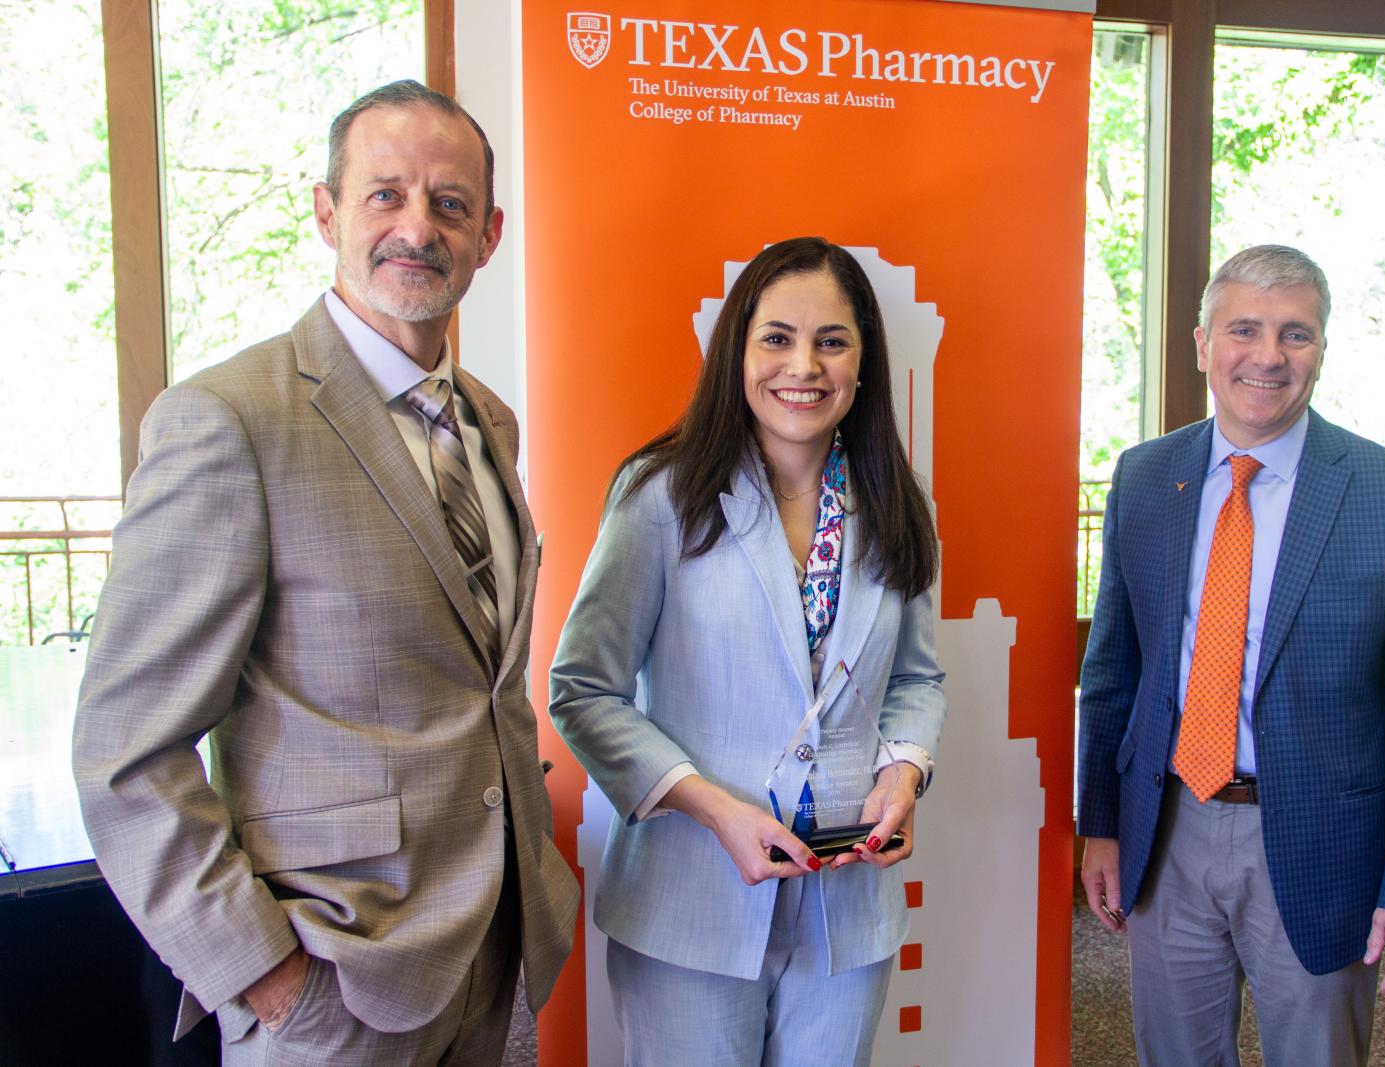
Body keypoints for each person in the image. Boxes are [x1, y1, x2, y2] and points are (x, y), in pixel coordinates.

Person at [72, 80, 579, 1064]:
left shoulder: (488, 422)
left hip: (500, 953)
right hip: (332, 982)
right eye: (385, 194)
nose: (417, 228)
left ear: (490, 234)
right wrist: (261, 970)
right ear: (326, 212)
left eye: (449, 204)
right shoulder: (229, 421)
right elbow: (126, 753)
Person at [549, 236, 946, 1067]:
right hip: (692, 896)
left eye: (831, 341)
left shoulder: (899, 505)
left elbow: (915, 678)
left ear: (863, 359)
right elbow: (584, 689)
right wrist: (714, 809)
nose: (804, 364)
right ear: (737, 352)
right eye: (777, 337)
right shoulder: (660, 495)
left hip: (848, 900)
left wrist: (901, 775)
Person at [1076, 244, 1385, 1066]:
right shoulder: (1146, 478)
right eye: (1244, 330)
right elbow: (1114, 674)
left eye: (1295, 334)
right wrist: (1103, 826)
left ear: (1321, 349)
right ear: (1201, 344)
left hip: (1326, 842)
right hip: (1169, 827)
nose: (1267, 356)